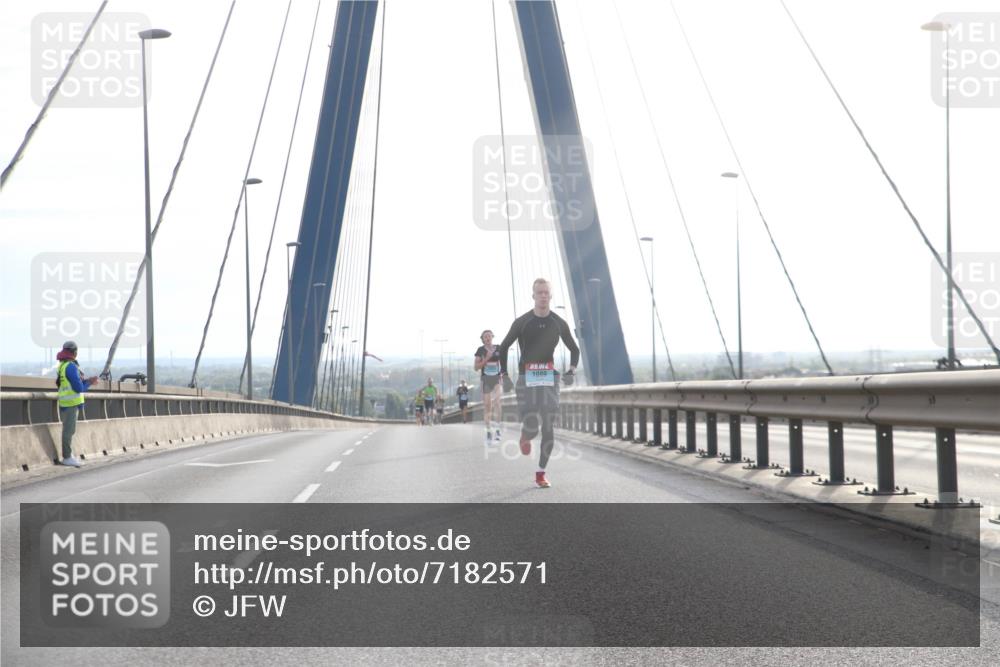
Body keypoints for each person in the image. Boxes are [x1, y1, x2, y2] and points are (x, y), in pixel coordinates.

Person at [497, 278, 580, 488]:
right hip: (526, 378)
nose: (543, 296)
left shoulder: (558, 323)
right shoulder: (522, 322)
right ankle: (526, 435)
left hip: (549, 378)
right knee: (533, 427)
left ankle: (541, 473)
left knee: (549, 426)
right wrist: (504, 375)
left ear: (550, 296)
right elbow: (504, 347)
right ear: (533, 296)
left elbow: (574, 349)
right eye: (539, 293)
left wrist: (571, 370)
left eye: (546, 293)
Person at [55, 340, 96, 467]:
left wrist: (85, 380)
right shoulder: (71, 366)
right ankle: (67, 457)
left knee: (68, 430)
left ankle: (69, 455)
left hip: (64, 403)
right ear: (74, 352)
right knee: (69, 431)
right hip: (71, 404)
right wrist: (89, 382)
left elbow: (61, 383)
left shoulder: (62, 365)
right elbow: (79, 388)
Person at [474, 330, 503, 446]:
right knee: (487, 406)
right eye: (485, 336)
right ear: (482, 339)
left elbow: (503, 361)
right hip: (486, 379)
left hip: (496, 379)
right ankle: (488, 431)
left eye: (489, 336)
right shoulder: (480, 350)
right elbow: (476, 367)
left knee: (497, 402)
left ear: (492, 337)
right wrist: (486, 359)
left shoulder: (499, 348)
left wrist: (504, 372)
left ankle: (498, 429)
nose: (487, 338)